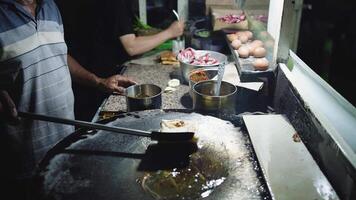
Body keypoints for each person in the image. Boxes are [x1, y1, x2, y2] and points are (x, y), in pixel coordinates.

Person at [0, 0, 135, 199]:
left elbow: (59, 55)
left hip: (65, 138)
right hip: (25, 155)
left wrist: (98, 81)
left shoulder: (50, 7)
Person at [55, 0, 185, 121]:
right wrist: (170, 32)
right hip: (93, 78)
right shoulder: (117, 3)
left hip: (91, 74)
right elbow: (131, 46)